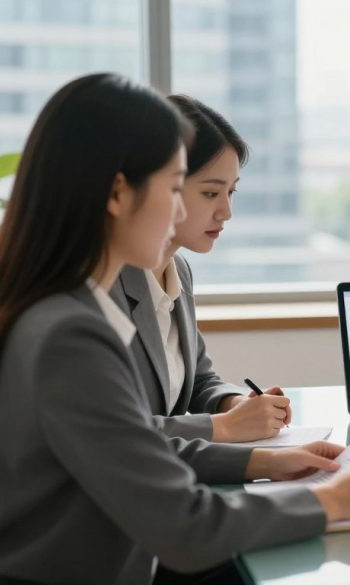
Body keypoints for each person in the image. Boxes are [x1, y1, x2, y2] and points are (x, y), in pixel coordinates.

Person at [0, 73, 350, 585]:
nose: (184, 210)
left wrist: (270, 462)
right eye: (177, 187)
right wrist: (327, 502)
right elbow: (184, 527)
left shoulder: (58, 309)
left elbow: (133, 447)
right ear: (117, 192)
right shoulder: (69, 334)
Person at [110, 94, 286, 443]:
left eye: (231, 193)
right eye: (210, 194)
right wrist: (224, 428)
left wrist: (233, 403)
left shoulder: (178, 269)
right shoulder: (102, 286)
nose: (226, 212)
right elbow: (115, 432)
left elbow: (197, 379)